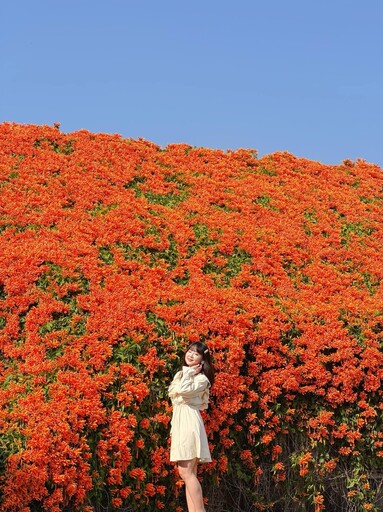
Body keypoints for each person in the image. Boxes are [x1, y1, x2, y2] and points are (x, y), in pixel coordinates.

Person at [168, 342, 215, 512]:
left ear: (203, 360)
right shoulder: (182, 373)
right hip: (181, 421)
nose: (191, 355)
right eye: (189, 351)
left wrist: (190, 374)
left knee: (185, 472)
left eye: (196, 354)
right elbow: (174, 391)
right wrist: (187, 373)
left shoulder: (201, 379)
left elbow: (185, 391)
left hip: (189, 421)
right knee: (189, 474)